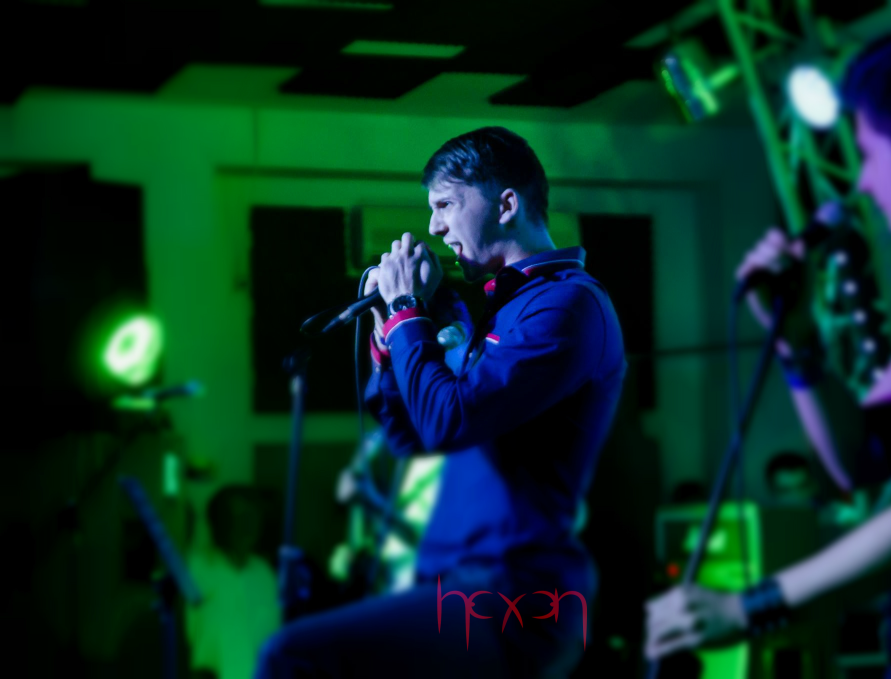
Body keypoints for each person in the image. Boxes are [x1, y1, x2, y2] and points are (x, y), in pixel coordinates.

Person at [645, 25, 891, 678]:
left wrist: (749, 606)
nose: (862, 184)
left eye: (870, 154)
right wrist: (797, 342)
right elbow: (860, 459)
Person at [257, 126, 626, 677]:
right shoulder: (505, 310)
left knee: (291, 655)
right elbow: (415, 439)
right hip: (462, 588)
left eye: (446, 205)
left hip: (514, 597)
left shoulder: (567, 305)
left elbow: (448, 422)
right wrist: (389, 343)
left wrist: (407, 309)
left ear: (506, 205)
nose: (434, 227)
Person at [186, 485, 280, 679]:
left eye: (253, 517)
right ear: (217, 524)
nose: (248, 526)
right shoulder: (194, 569)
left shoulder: (265, 572)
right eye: (238, 517)